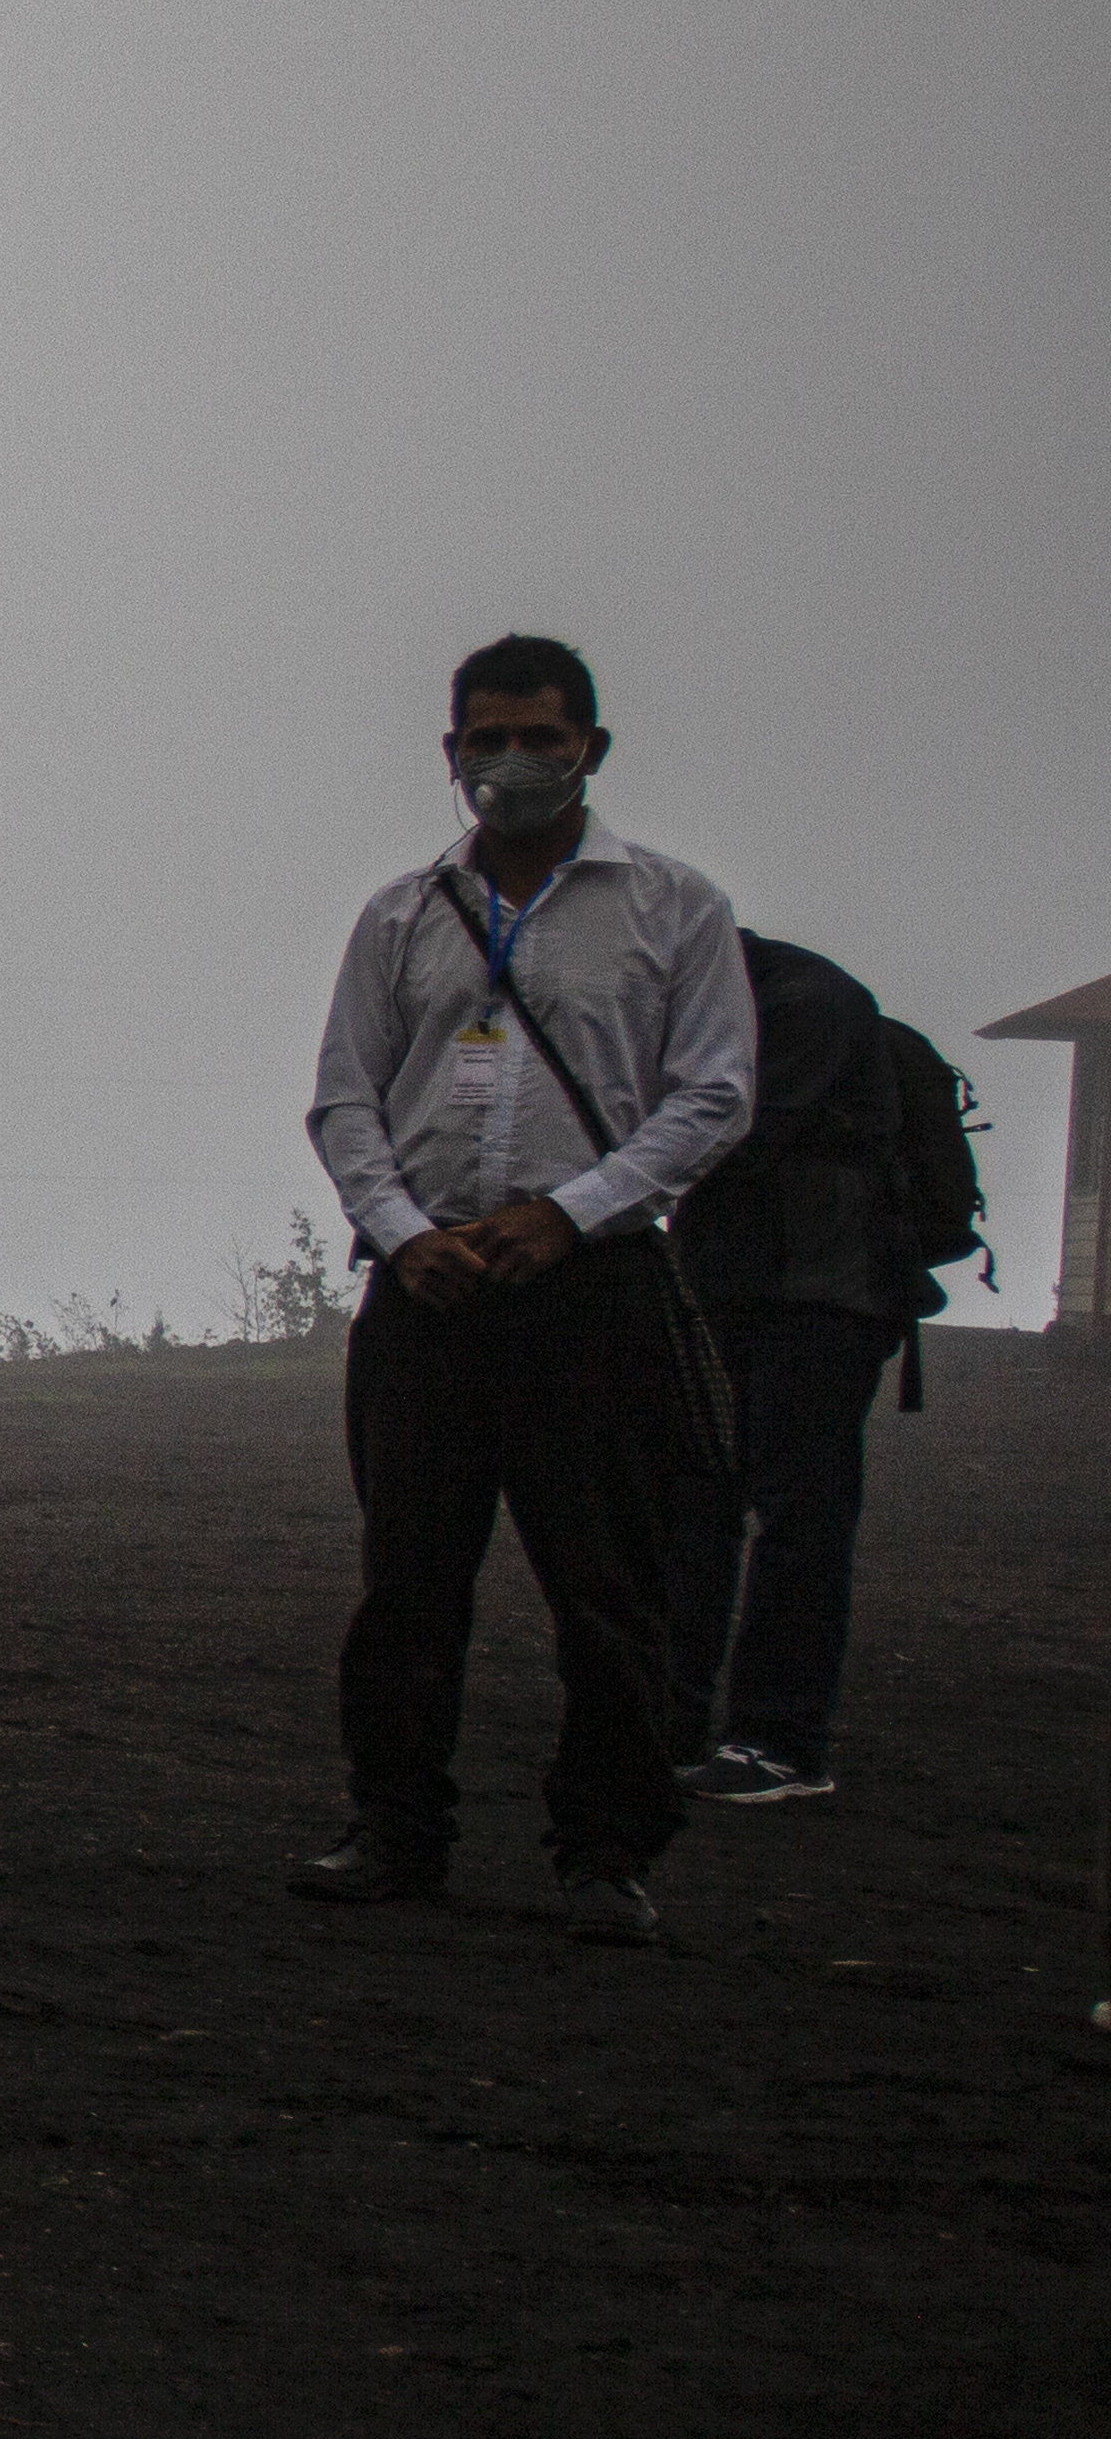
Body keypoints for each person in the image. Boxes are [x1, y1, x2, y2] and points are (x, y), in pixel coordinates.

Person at [298, 633, 755, 1945]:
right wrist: (396, 1229)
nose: (513, 765)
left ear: (589, 750)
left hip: (589, 1292)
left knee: (607, 1585)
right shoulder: (398, 915)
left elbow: (713, 1096)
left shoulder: (675, 908)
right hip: (428, 1291)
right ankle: (395, 1829)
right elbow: (345, 1095)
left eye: (540, 740)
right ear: (452, 755)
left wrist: (573, 1214)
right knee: (407, 1582)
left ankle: (607, 1853)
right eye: (488, 740)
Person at [658, 931, 933, 1807]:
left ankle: (778, 1741)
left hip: (820, 1297)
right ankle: (682, 1723)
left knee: (795, 1515)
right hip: (753, 1290)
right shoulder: (764, 996)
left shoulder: (804, 1005)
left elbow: (726, 1134)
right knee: (701, 1504)